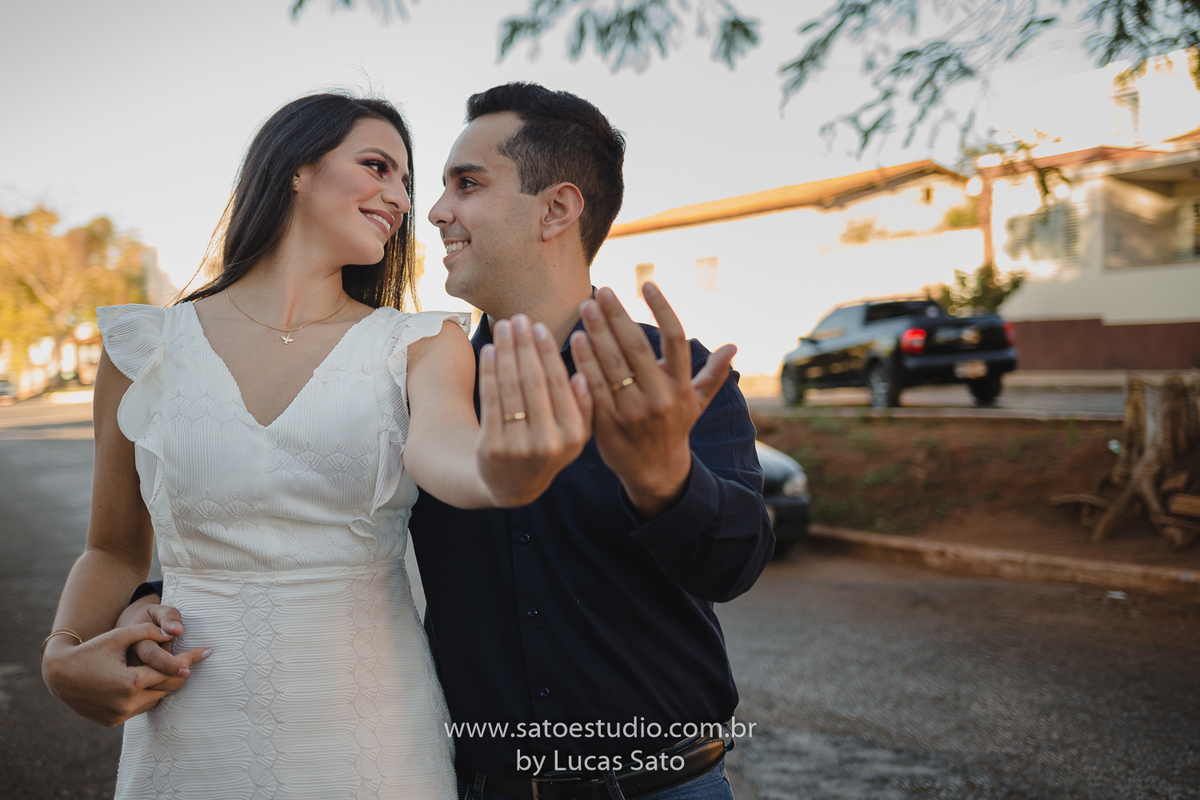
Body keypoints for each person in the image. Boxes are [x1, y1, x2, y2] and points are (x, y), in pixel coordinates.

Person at [94, 83, 774, 800]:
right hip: (474, 783)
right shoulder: (415, 373)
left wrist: (665, 478)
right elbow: (298, 509)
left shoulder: (675, 377)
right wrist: (155, 601)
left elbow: (733, 567)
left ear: (557, 208)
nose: (435, 211)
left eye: (466, 184)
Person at [39, 92, 593, 800]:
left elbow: (443, 449)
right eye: (377, 166)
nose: (400, 198)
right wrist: (61, 657)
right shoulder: (142, 347)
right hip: (189, 734)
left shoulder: (421, 343)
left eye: (404, 180)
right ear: (296, 168)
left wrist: (501, 473)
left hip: (374, 740)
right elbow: (113, 548)